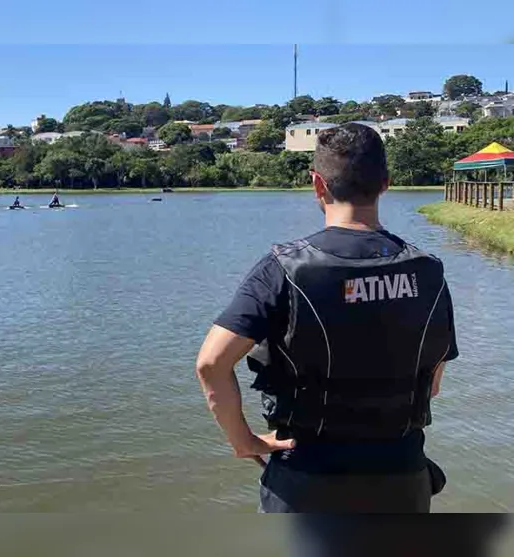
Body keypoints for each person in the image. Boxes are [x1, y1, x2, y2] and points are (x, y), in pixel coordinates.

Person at [195, 123, 458, 513]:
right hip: (401, 475)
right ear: (385, 183)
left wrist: (244, 440)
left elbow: (211, 363)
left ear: (317, 184)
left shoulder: (283, 268)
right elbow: (432, 382)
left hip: (306, 476)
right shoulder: (429, 271)